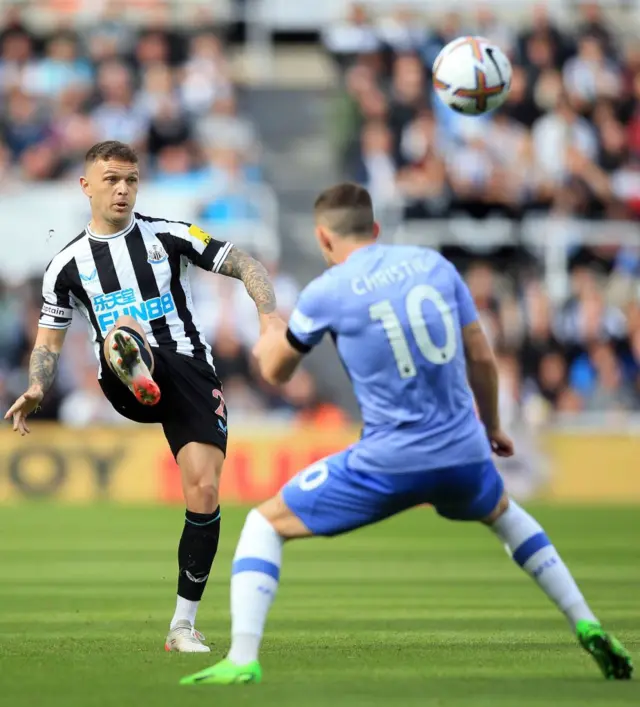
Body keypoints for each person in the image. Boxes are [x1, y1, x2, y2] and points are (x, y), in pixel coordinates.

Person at [180, 183, 633, 685]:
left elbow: (279, 373)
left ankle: (243, 657)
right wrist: (494, 427)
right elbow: (481, 356)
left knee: (264, 524)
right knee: (506, 516)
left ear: (323, 238)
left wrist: (269, 334)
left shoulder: (327, 292)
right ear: (374, 229)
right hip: (463, 450)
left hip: (389, 460)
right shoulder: (434, 266)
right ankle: (586, 621)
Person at [4, 140, 281, 653]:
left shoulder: (170, 235)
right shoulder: (66, 265)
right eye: (111, 179)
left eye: (131, 179)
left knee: (204, 491)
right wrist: (38, 386)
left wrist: (268, 319)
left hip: (189, 372)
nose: (123, 189)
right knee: (124, 329)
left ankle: (182, 626)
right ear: (86, 186)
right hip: (123, 379)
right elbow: (49, 339)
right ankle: (134, 367)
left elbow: (244, 263)